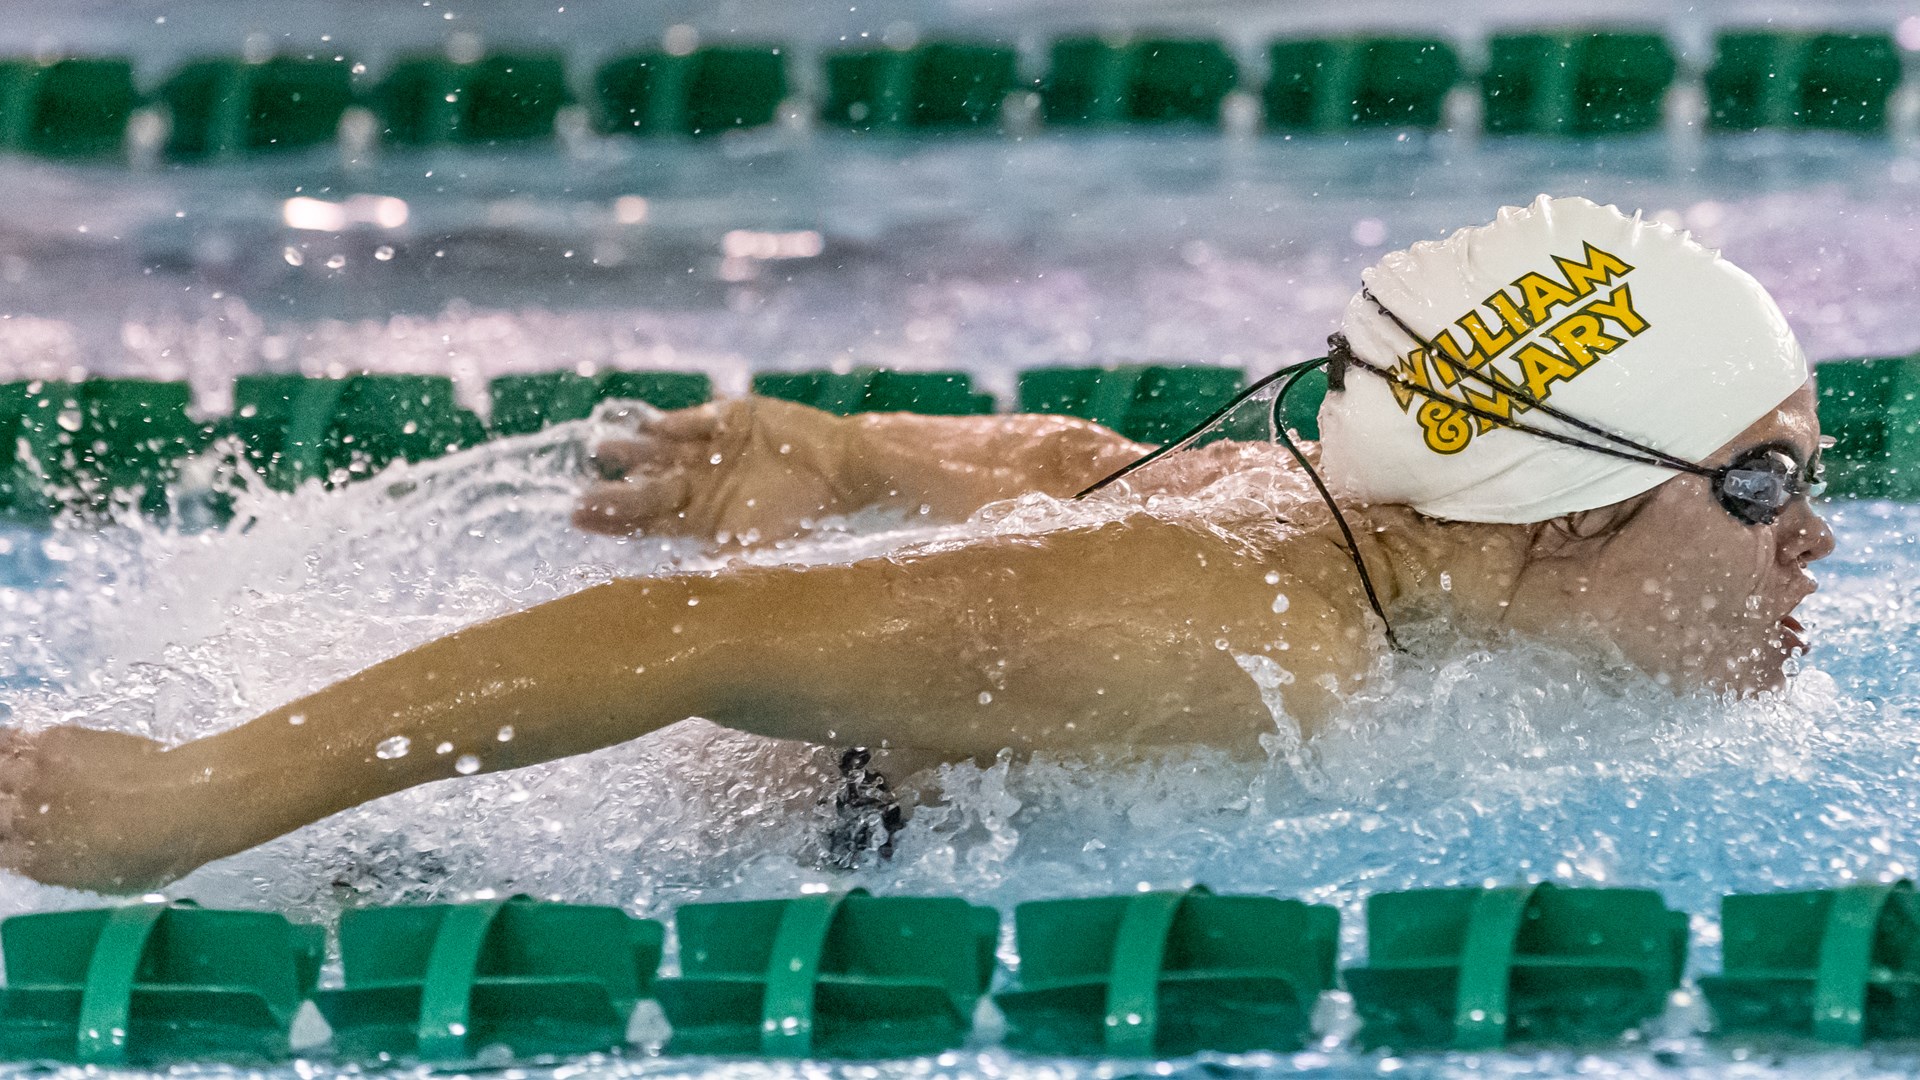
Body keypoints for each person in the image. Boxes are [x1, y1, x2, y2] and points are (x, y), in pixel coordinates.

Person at [0, 196, 1835, 893]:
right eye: (1761, 486)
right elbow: (687, 638)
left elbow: (1073, 457)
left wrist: (852, 442)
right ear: (1568, 503)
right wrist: (184, 806)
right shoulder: (1248, 649)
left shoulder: (1370, 559)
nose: (1812, 545)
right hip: (514, 876)